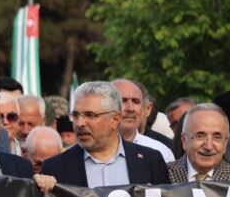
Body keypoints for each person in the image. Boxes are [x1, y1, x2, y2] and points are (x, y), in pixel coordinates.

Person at [40, 81, 170, 188]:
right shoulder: (54, 168)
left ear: (115, 119)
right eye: (75, 115)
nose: (79, 123)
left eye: (90, 115)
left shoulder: (151, 161)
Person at [166, 103, 230, 183]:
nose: (208, 146)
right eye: (200, 136)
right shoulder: (163, 175)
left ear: (225, 143)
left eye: (217, 137)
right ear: (184, 140)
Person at [113, 79, 175, 163]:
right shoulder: (95, 148)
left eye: (136, 101)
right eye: (123, 101)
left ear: (147, 109)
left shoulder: (161, 152)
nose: (130, 109)